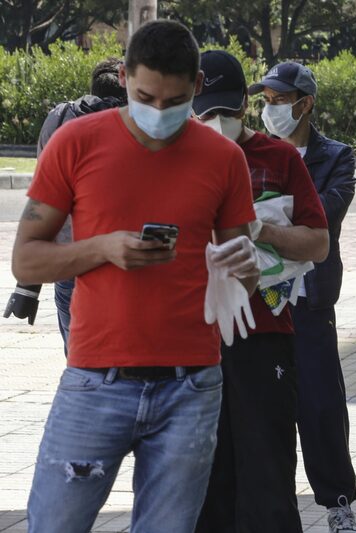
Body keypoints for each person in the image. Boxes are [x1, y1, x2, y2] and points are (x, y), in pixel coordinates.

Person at [14, 21, 260, 532]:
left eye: (176, 102)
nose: (159, 112)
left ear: (197, 86)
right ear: (124, 77)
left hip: (190, 386)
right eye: (146, 97)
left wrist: (242, 271)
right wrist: (102, 248)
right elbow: (26, 260)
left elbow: (240, 272)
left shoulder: (224, 158)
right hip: (96, 380)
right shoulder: (76, 142)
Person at [192, 52, 330, 533]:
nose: (218, 121)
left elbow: (318, 242)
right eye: (207, 112)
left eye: (227, 110)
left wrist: (259, 229)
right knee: (207, 472)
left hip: (264, 331)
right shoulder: (177, 157)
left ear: (243, 106)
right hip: (197, 339)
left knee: (267, 466)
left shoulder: (279, 158)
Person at [247, 61, 356, 533]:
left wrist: (268, 220)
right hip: (258, 301)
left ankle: (338, 504)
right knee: (262, 410)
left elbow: (322, 216)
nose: (269, 108)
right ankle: (271, 510)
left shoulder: (336, 157)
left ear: (305, 104)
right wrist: (282, 222)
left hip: (310, 300)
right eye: (266, 100)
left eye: (279, 100)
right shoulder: (251, 153)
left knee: (321, 407)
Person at [4, 58, 127, 351]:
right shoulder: (139, 122)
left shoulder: (60, 119)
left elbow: (45, 197)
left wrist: (28, 287)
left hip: (70, 260)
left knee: (79, 356)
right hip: (126, 259)